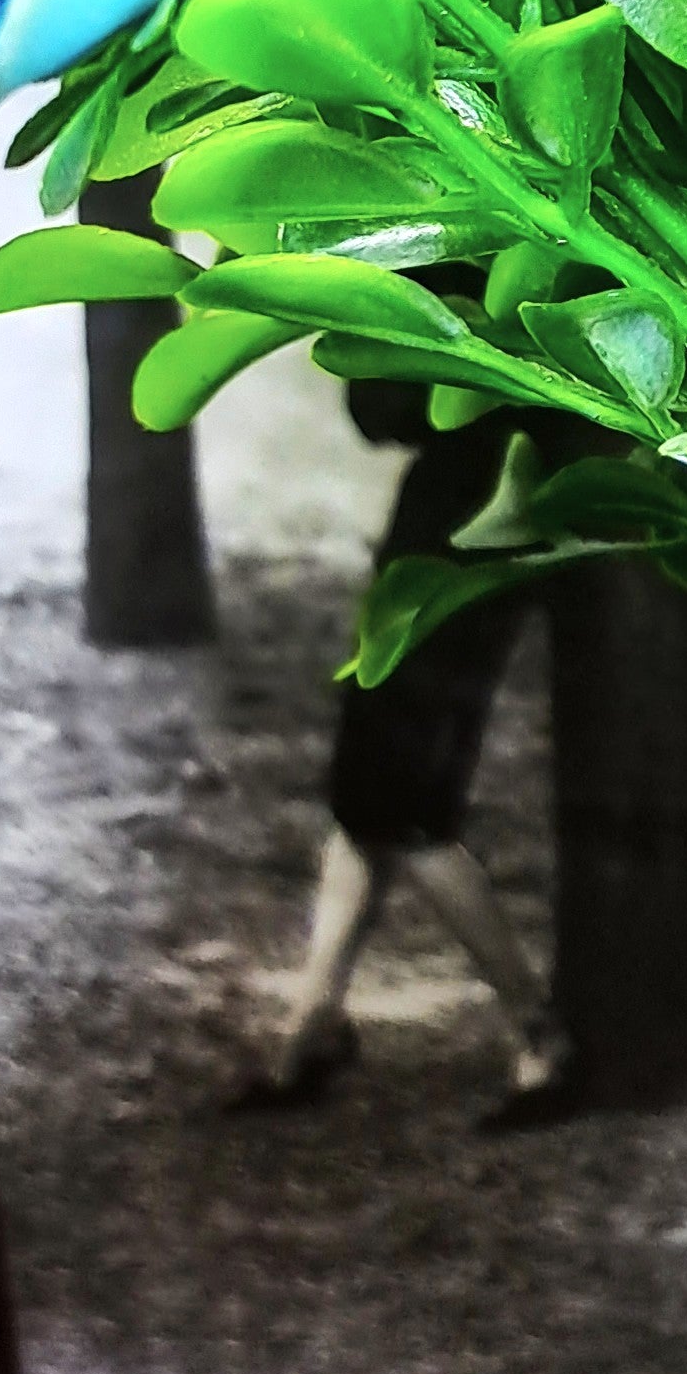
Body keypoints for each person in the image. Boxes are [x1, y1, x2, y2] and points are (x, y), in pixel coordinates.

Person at [239, 387, 564, 1116]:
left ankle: (538, 1026)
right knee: (372, 799)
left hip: (454, 540)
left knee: (405, 811)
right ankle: (314, 1023)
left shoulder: (459, 279)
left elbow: (382, 409)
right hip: (487, 532)